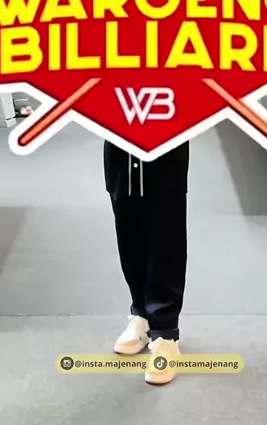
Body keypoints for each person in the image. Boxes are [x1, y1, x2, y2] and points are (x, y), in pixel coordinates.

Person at [105, 140, 189, 385]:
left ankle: (165, 332)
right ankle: (141, 313)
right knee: (127, 223)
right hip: (118, 132)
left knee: (165, 228)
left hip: (165, 130)